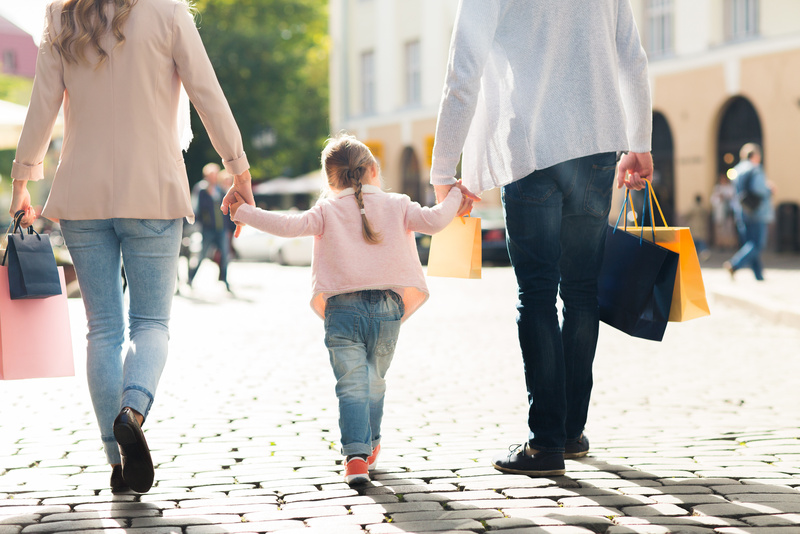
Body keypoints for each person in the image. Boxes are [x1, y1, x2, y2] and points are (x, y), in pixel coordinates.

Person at [10, 0, 254, 493]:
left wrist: (22, 179)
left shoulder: (63, 15)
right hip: (153, 191)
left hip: (81, 193)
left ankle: (117, 459)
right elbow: (207, 92)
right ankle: (133, 413)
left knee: (102, 330)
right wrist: (238, 167)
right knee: (151, 323)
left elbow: (43, 105)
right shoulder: (168, 12)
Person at [430, 0, 653, 476]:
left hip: (529, 148)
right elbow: (632, 57)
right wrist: (641, 143)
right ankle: (570, 434)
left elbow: (461, 75)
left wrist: (443, 168)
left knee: (536, 294)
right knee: (580, 292)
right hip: (596, 146)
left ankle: (544, 443)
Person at [227, 133, 466, 485]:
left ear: (329, 180)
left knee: (351, 384)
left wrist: (243, 211)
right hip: (387, 309)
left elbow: (286, 226)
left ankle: (356, 457)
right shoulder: (398, 204)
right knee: (375, 381)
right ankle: (371, 445)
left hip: (341, 311)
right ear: (373, 170)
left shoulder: (325, 210)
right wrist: (458, 193)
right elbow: (435, 220)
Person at [723, 143, 774, 281]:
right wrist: (769, 189)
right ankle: (734, 264)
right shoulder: (755, 169)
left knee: (750, 243)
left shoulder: (737, 170)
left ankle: (759, 275)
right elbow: (759, 190)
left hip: (742, 212)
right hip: (757, 212)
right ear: (755, 156)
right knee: (757, 244)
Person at [187, 162, 231, 290]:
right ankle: (190, 279)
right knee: (201, 256)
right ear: (206, 175)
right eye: (212, 174)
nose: (214, 177)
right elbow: (196, 208)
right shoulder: (201, 189)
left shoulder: (221, 189)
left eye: (216, 174)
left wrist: (229, 227)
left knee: (225, 255)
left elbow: (226, 209)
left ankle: (224, 280)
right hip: (207, 229)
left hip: (221, 229)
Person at [685, 194, 711, 262]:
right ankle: (704, 253)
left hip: (693, 227)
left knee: (694, 242)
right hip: (701, 227)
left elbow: (686, 215)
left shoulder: (692, 208)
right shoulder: (703, 208)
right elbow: (706, 215)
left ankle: (693, 255)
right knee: (700, 241)